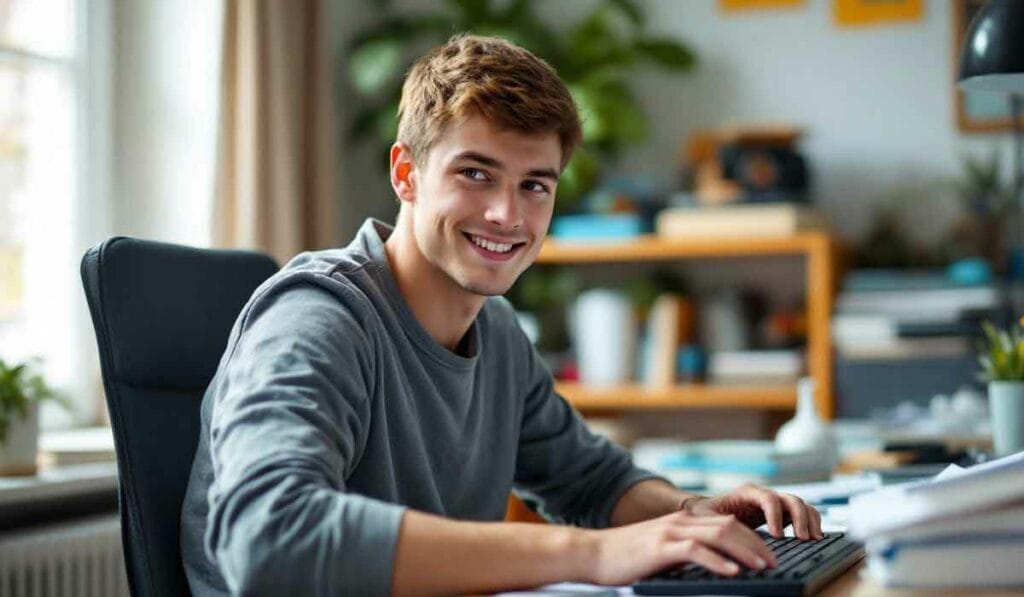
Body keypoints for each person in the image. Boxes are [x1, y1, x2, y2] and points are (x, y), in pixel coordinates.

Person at [180, 33, 823, 596]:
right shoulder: (318, 319)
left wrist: (692, 512)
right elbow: (268, 538)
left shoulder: (496, 330)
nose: (507, 216)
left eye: (534, 185)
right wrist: (591, 554)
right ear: (406, 174)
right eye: (476, 174)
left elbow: (591, 481)